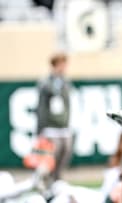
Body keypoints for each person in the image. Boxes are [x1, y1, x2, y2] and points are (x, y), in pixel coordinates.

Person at [36, 52, 72, 184]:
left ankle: (57, 179)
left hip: (63, 125)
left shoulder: (65, 82)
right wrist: (40, 129)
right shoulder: (46, 82)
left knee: (65, 153)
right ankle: (46, 181)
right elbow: (42, 105)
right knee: (50, 157)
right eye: (61, 64)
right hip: (50, 126)